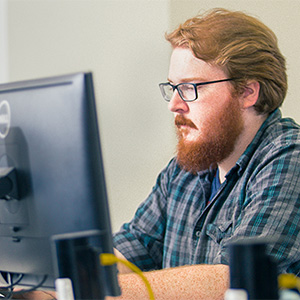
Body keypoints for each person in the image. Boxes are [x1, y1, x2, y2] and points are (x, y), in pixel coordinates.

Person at [14, 7, 300, 300]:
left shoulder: (289, 158)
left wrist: (87, 288)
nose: (174, 104)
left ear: (248, 93)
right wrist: (41, 288)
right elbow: (127, 253)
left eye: (189, 87)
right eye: (173, 88)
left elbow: (235, 280)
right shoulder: (187, 168)